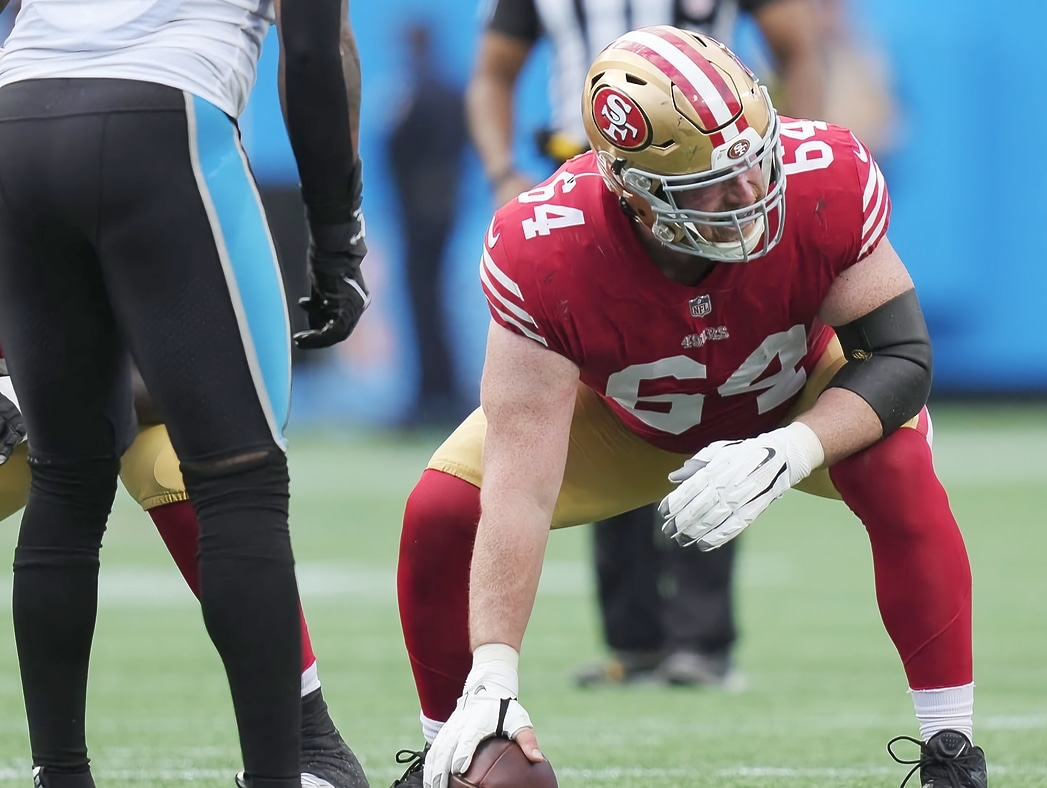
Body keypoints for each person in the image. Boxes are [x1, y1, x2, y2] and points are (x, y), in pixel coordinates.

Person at [392, 26, 986, 788]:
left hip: (793, 389)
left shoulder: (822, 173)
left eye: (754, 159)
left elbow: (902, 357)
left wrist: (793, 448)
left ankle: (952, 756)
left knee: (896, 464)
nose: (751, 193)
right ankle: (449, 747)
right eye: (712, 183)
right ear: (634, 192)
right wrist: (495, 673)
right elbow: (519, 479)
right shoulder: (542, 248)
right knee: (440, 510)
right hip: (625, 418)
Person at [0, 0, 369, 785]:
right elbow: (312, 52)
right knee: (242, 482)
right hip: (165, 120)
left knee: (67, 481)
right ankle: (285, 768)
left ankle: (58, 774)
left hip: (18, 117)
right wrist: (337, 235)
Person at [467, 0, 825, 690]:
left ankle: (701, 637)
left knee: (715, 390)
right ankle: (633, 639)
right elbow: (493, 72)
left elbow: (798, 46)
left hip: (709, 188)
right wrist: (500, 171)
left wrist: (798, 148)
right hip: (590, 191)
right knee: (601, 400)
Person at [0, 366, 369, 788]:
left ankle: (311, 739)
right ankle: (59, 770)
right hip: (45, 387)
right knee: (68, 453)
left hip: (65, 389)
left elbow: (208, 369)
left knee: (175, 459)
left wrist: (42, 387)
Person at [388, 22, 473, 429]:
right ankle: (436, 390)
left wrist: (433, 195)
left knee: (426, 302)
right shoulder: (444, 91)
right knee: (427, 303)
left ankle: (435, 394)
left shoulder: (426, 94)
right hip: (429, 213)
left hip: (425, 217)